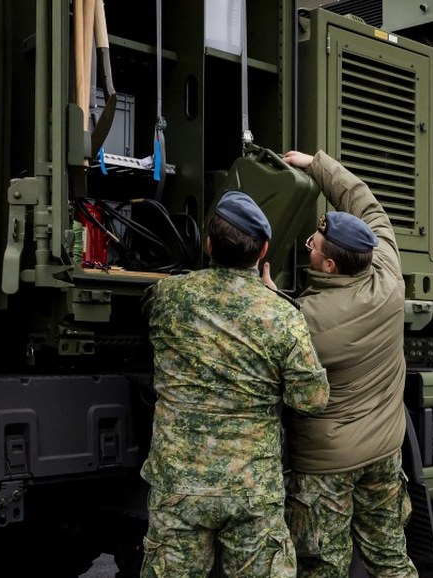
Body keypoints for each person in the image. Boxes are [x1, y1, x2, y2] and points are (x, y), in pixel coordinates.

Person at [140, 191, 330, 577]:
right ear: (263, 251)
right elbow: (312, 400)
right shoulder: (282, 316)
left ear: (208, 244)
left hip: (179, 485)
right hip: (251, 489)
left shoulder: (167, 297)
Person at [281, 150, 418, 578]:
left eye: (313, 245)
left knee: (324, 567)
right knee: (390, 559)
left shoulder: (305, 318)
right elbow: (364, 202)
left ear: (328, 264)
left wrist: (269, 294)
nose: (309, 246)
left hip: (328, 465)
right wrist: (318, 164)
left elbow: (274, 337)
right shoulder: (389, 276)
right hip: (384, 450)